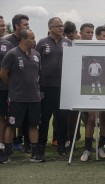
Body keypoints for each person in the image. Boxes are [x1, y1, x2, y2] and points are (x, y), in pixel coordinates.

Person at [0, 29, 44, 163]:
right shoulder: (12, 54)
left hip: (34, 98)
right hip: (17, 98)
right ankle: (6, 154)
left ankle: (35, 154)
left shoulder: (36, 54)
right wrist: (13, 87)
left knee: (33, 125)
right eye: (31, 38)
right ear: (23, 39)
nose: (34, 40)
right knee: (12, 125)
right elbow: (3, 74)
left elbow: (38, 75)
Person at [35, 17, 72, 156]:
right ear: (50, 28)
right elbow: (35, 63)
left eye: (62, 26)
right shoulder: (42, 43)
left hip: (63, 87)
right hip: (45, 86)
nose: (61, 28)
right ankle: (41, 145)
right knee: (44, 118)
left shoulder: (68, 43)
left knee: (62, 117)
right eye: (58, 26)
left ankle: (62, 145)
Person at [80, 25, 105, 162]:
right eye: (104, 36)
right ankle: (87, 148)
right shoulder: (89, 48)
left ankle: (101, 147)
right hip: (90, 84)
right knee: (92, 118)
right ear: (97, 37)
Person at [4, 14, 30, 152]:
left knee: (26, 116)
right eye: (25, 24)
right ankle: (9, 144)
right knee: (10, 118)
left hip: (25, 87)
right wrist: (10, 84)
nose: (28, 26)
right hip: (10, 87)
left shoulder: (29, 40)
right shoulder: (7, 41)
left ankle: (25, 142)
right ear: (17, 26)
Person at [0, 16, 14, 152]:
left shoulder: (8, 45)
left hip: (3, 89)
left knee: (3, 117)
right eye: (1, 25)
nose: (3, 28)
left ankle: (2, 145)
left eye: (4, 25)